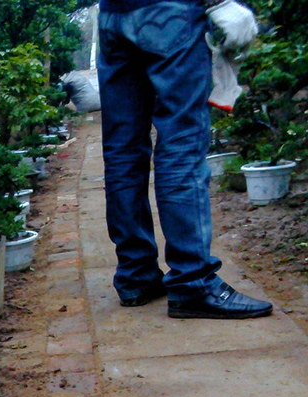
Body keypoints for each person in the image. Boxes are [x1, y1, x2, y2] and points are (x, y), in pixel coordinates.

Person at [97, 0, 273, 318]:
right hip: (170, 13)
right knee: (181, 143)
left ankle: (136, 277)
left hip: (113, 14)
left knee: (123, 149)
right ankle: (193, 282)